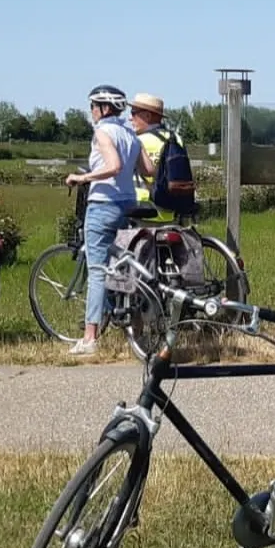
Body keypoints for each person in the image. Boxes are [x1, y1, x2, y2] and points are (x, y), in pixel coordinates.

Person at [62, 85, 146, 357]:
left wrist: (83, 178)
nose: (91, 113)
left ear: (104, 108)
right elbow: (149, 169)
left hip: (103, 205)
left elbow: (113, 166)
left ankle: (89, 338)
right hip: (128, 204)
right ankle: (134, 328)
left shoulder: (102, 132)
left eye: (92, 107)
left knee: (97, 270)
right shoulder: (131, 133)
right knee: (123, 267)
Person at [127, 93, 172, 220]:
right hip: (172, 214)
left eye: (133, 113)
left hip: (143, 212)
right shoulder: (176, 139)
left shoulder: (137, 141)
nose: (130, 119)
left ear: (147, 116)